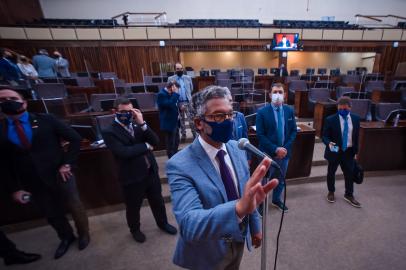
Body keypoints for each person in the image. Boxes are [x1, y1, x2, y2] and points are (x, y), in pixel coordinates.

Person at [167, 85, 279, 270]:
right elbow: (188, 224)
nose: (228, 121)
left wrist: (255, 226)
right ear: (198, 123)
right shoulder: (179, 164)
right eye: (219, 116)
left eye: (230, 114)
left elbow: (247, 194)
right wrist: (238, 209)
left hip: (238, 237)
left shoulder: (237, 147)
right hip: (208, 251)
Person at [0, 88, 90, 259]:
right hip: (31, 180)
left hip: (61, 174)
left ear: (24, 102)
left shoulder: (46, 120)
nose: (8, 101)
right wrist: (15, 189)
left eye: (13, 98)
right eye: (3, 100)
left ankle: (84, 234)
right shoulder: (0, 129)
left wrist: (67, 163)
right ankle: (66, 237)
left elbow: (75, 139)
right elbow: (2, 165)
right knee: (51, 212)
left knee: (75, 205)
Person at [102, 97, 177, 243]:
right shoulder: (109, 131)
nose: (127, 114)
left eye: (130, 111)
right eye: (123, 112)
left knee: (158, 201)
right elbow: (123, 152)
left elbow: (155, 141)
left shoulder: (137, 125)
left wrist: (142, 123)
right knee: (133, 206)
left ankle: (163, 223)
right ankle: (135, 230)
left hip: (150, 172)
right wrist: (145, 147)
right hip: (131, 176)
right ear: (114, 112)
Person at [256, 83, 297, 212]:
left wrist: (284, 148)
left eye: (280, 92)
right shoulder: (262, 112)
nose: (277, 95)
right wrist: (275, 149)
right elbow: (260, 135)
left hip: (285, 153)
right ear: (270, 95)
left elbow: (293, 131)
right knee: (264, 179)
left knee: (280, 178)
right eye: (275, 92)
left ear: (285, 95)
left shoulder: (289, 110)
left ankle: (276, 199)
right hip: (267, 153)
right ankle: (261, 203)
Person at [322, 96, 361, 208]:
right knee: (331, 173)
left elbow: (356, 136)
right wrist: (329, 143)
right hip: (334, 150)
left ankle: (349, 194)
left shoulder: (356, 119)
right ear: (337, 107)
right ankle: (331, 192)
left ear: (350, 107)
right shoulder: (330, 119)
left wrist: (356, 151)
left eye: (345, 109)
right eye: (340, 109)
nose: (342, 111)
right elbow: (324, 136)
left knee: (349, 173)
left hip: (349, 151)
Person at [168, 63, 196, 141]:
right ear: (175, 70)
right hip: (177, 102)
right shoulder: (170, 79)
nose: (179, 70)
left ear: (182, 69)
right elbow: (169, 91)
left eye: (181, 68)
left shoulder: (188, 78)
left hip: (187, 101)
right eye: (177, 69)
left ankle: (194, 134)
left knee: (191, 119)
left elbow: (191, 89)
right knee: (181, 120)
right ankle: (183, 135)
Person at [157, 81, 181, 158]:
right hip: (169, 123)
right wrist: (175, 94)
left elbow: (174, 104)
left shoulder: (171, 94)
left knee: (176, 141)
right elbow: (169, 104)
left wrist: (180, 108)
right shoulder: (161, 94)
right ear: (172, 87)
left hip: (175, 122)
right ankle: (171, 159)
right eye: (176, 89)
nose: (177, 91)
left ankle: (175, 157)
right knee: (171, 143)